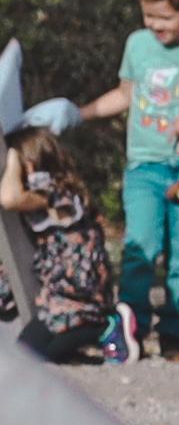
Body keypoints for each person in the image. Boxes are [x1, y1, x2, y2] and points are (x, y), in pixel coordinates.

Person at [80, 0, 179, 357]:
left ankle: (176, 329)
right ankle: (131, 328)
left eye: (164, 18)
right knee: (139, 247)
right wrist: (80, 113)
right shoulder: (138, 44)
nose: (155, 26)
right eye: (148, 16)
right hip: (143, 166)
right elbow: (125, 94)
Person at [2, 123, 125, 364]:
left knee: (28, 354)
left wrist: (13, 156)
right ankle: (73, 349)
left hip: (79, 302)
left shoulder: (55, 193)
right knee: (35, 352)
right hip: (57, 296)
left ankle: (107, 326)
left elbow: (8, 198)